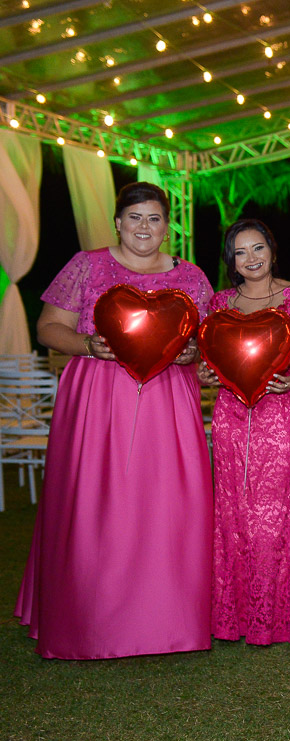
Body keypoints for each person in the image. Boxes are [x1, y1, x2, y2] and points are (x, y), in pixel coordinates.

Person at [14, 181, 214, 659]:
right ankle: (91, 618)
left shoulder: (192, 278)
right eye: (135, 218)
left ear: (167, 226)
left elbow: (207, 342)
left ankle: (171, 620)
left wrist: (191, 351)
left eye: (155, 219)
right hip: (97, 399)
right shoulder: (86, 265)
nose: (145, 227)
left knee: (167, 504)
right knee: (98, 505)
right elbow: (47, 328)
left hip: (168, 399)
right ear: (118, 222)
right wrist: (88, 345)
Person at [199, 220, 290, 646]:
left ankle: (278, 615)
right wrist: (207, 374)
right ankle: (233, 615)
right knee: (233, 512)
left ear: (271, 248)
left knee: (273, 514)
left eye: (257, 248)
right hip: (231, 417)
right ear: (231, 261)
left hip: (281, 415)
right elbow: (210, 357)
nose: (251, 258)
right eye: (240, 252)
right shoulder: (219, 302)